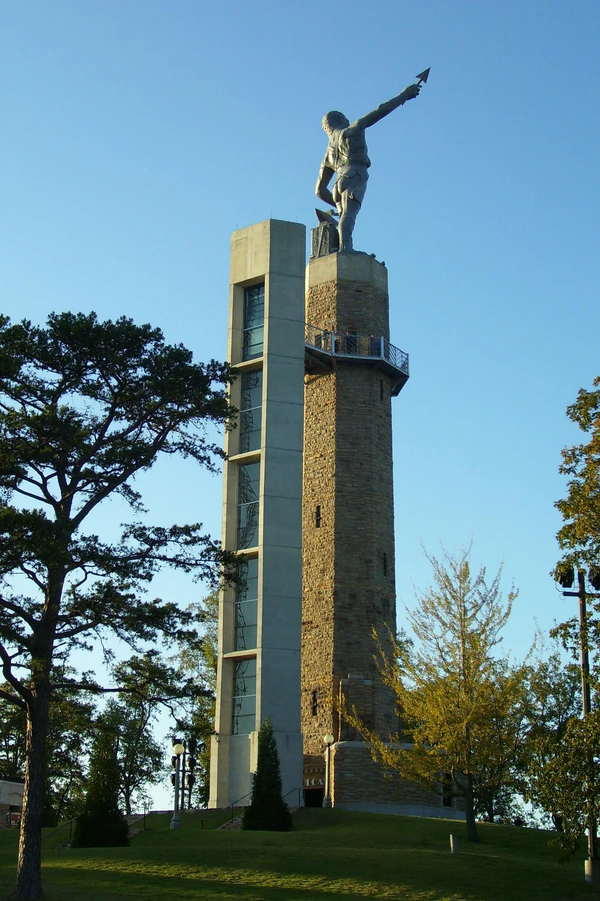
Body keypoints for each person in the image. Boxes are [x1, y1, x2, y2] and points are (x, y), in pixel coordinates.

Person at [316, 83, 421, 252]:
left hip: (337, 184)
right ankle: (346, 248)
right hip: (355, 174)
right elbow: (380, 111)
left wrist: (336, 203)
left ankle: (345, 246)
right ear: (340, 120)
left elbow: (320, 190)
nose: (348, 120)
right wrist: (404, 96)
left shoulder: (328, 153)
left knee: (345, 215)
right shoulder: (351, 131)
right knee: (349, 216)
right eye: (345, 118)